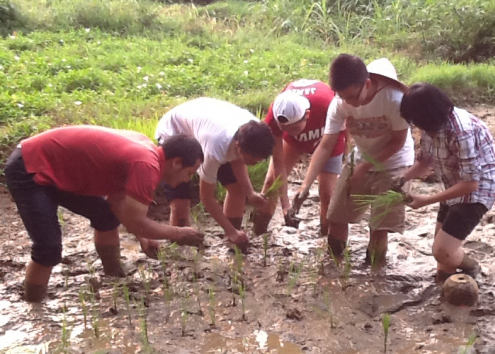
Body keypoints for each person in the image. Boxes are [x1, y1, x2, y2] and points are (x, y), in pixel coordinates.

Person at [4, 126, 205, 303]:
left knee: (106, 216)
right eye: (189, 173)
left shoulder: (146, 154)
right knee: (47, 247)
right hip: (30, 166)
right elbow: (136, 221)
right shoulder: (147, 165)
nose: (187, 180)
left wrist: (144, 238)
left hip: (53, 166)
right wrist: (178, 233)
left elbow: (117, 201)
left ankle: (114, 275)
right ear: (177, 162)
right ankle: (34, 306)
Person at [293, 55, 415, 264]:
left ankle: (375, 277)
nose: (347, 103)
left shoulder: (393, 100)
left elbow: (397, 142)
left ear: (366, 84)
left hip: (395, 163)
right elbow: (325, 145)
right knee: (336, 216)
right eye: (342, 97)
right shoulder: (340, 102)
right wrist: (305, 185)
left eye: (351, 96)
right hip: (360, 158)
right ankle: (334, 268)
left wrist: (365, 167)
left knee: (378, 226)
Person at [397, 83, 495, 281]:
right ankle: (448, 283)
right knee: (443, 265)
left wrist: (426, 200)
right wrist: (402, 178)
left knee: (442, 252)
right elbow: (425, 162)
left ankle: (472, 267)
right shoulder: (429, 127)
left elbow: (471, 184)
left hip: (477, 191)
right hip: (453, 183)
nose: (417, 127)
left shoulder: (462, 132)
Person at [155, 98, 276, 249]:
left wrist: (250, 193)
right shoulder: (214, 150)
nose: (255, 164)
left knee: (238, 189)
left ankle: (233, 242)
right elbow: (206, 198)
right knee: (180, 200)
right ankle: (179, 251)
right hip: (176, 130)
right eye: (253, 160)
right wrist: (230, 230)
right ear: (238, 146)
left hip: (207, 122)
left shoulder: (254, 131)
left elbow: (238, 161)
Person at [256, 80, 347, 236]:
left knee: (327, 193)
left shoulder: (327, 105)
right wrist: (285, 206)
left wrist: (305, 186)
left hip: (328, 135)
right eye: (285, 130)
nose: (292, 133)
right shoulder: (273, 119)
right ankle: (258, 232)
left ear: (307, 115)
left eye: (294, 128)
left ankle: (327, 237)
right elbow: (278, 163)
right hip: (295, 143)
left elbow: (332, 141)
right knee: (271, 183)